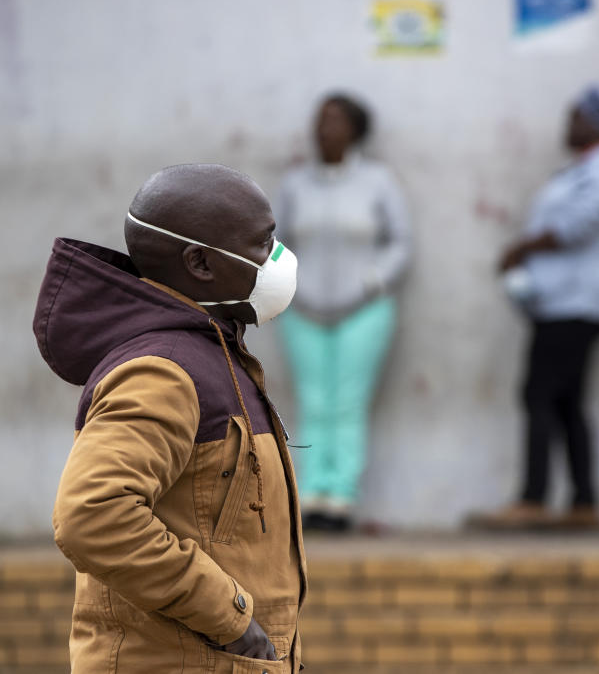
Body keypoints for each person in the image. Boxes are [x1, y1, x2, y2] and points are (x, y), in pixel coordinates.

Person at [33, 164, 306, 672]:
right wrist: (232, 618)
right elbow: (92, 515)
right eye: (263, 242)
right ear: (201, 263)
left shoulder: (216, 353)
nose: (279, 258)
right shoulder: (163, 372)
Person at [472, 85, 599, 530]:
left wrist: (522, 248)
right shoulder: (581, 170)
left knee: (539, 393)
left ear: (598, 124)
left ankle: (533, 498)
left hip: (579, 300)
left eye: (577, 117)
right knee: (566, 400)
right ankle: (584, 501)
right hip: (563, 298)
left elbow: (577, 226)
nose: (568, 125)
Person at [273, 93, 412, 532]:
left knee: (348, 403)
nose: (323, 129)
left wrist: (371, 283)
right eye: (319, 121)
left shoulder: (378, 181)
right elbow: (271, 241)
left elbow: (400, 243)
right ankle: (311, 494)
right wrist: (290, 287)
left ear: (355, 130)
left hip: (364, 312)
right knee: (314, 402)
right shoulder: (295, 184)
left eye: (334, 121)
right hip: (303, 311)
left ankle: (341, 498)